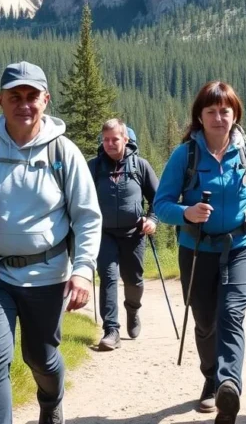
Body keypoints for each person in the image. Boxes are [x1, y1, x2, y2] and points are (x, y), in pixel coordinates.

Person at [0, 61, 102, 424]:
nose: (23, 105)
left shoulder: (64, 153)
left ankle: (51, 398)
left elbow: (88, 217)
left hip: (47, 276)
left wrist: (83, 271)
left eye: (31, 96)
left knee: (41, 357)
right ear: (0, 100)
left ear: (46, 99)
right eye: (15, 96)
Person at [153, 80, 246, 424]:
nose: (218, 117)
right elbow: (161, 204)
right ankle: (211, 377)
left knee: (231, 314)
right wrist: (187, 212)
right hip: (196, 249)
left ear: (235, 114)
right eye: (211, 111)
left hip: (242, 247)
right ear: (199, 116)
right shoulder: (185, 155)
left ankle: (229, 385)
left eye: (224, 111)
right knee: (204, 321)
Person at [87, 118, 159, 351]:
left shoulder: (140, 166)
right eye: (105, 139)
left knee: (134, 280)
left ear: (125, 139)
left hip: (134, 234)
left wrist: (152, 220)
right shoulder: (94, 167)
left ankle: (133, 309)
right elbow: (81, 199)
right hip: (104, 234)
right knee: (108, 277)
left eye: (114, 139)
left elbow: (158, 199)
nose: (109, 143)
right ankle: (111, 330)